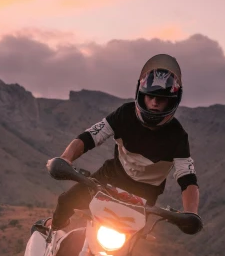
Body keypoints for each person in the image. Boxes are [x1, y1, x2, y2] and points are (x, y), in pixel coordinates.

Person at [48, 54, 199, 230]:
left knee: (129, 241)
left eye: (162, 98)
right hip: (109, 178)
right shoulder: (125, 114)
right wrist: (66, 159)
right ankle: (52, 229)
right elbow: (90, 136)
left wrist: (191, 213)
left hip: (143, 195)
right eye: (150, 96)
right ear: (141, 95)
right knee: (66, 201)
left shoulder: (178, 136)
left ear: (172, 101)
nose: (154, 102)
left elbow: (187, 179)